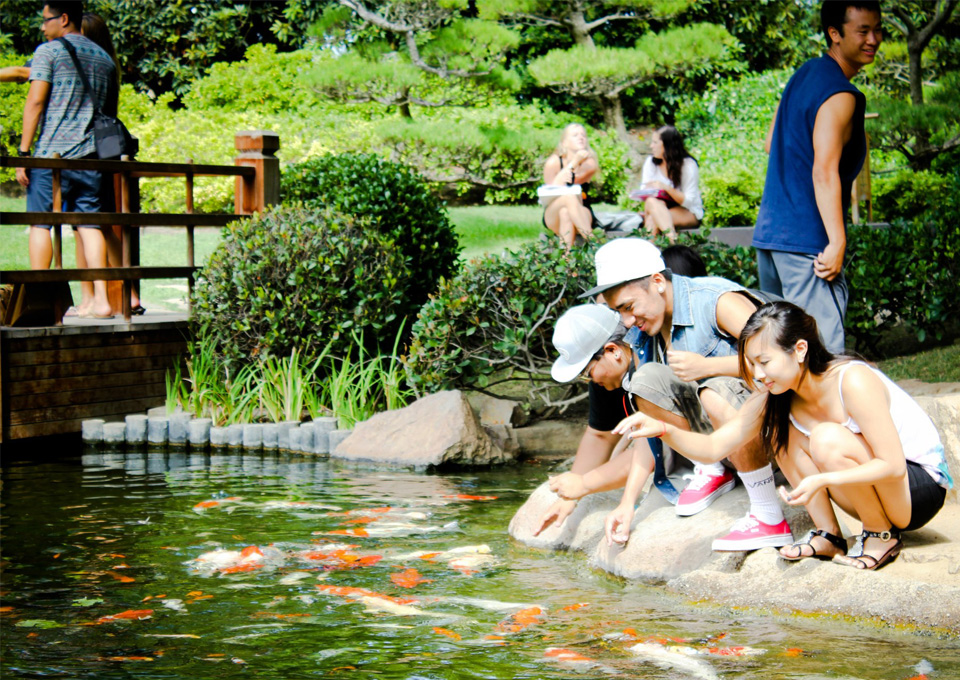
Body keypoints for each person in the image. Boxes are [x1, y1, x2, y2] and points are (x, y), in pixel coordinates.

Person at [611, 301, 952, 570]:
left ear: (800, 350)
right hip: (868, 486)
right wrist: (665, 430)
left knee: (826, 439)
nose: (757, 375)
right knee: (779, 431)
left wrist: (825, 478)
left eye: (764, 361)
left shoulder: (852, 380)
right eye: (750, 364)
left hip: (916, 490)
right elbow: (715, 446)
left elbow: (892, 466)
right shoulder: (776, 396)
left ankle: (880, 536)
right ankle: (830, 535)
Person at [580, 238, 793, 552]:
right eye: (618, 312)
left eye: (628, 307)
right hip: (719, 442)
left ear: (657, 282)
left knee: (713, 388)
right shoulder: (643, 335)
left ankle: (768, 515)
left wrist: (708, 365)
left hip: (773, 432)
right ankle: (713, 468)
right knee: (646, 381)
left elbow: (783, 357)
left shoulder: (717, 300)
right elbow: (648, 427)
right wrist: (628, 503)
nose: (627, 321)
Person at [534, 245, 709, 537]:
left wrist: (585, 483)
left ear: (612, 351)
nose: (590, 381)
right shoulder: (612, 368)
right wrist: (571, 494)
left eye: (587, 373)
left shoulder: (652, 353)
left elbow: (655, 444)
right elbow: (601, 434)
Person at [753, 1, 882, 354]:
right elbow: (824, 172)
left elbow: (770, 144)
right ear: (835, 34)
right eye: (862, 31)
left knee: (779, 356)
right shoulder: (840, 94)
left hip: (771, 237)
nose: (873, 39)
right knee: (823, 356)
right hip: (807, 246)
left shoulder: (805, 74)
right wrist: (837, 241)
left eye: (877, 29)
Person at [16, 1, 119, 319]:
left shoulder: (49, 51)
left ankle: (41, 303)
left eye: (45, 20)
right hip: (91, 156)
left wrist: (23, 153)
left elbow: (35, 101)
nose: (42, 27)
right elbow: (110, 112)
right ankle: (101, 301)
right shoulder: (105, 59)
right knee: (89, 225)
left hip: (52, 155)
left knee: (40, 224)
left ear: (63, 19)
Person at [67, 12, 144, 316]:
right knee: (103, 226)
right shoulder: (108, 64)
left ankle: (90, 298)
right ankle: (130, 292)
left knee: (82, 224)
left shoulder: (80, 61)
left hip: (85, 151)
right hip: (108, 150)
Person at [638, 126, 703, 243]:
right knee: (652, 202)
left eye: (655, 142)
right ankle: (673, 242)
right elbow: (643, 191)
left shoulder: (688, 165)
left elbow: (689, 201)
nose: (651, 146)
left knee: (654, 219)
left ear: (667, 145)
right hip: (656, 206)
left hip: (686, 211)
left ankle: (652, 253)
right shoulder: (651, 163)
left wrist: (665, 188)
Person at [542, 123, 599, 250]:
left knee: (565, 212)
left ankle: (566, 262)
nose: (581, 138)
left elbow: (574, 180)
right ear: (564, 142)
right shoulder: (553, 162)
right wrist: (573, 162)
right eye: (575, 135)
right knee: (567, 199)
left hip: (581, 210)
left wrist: (577, 162)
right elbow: (554, 187)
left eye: (583, 135)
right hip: (553, 211)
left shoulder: (589, 163)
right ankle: (594, 244)